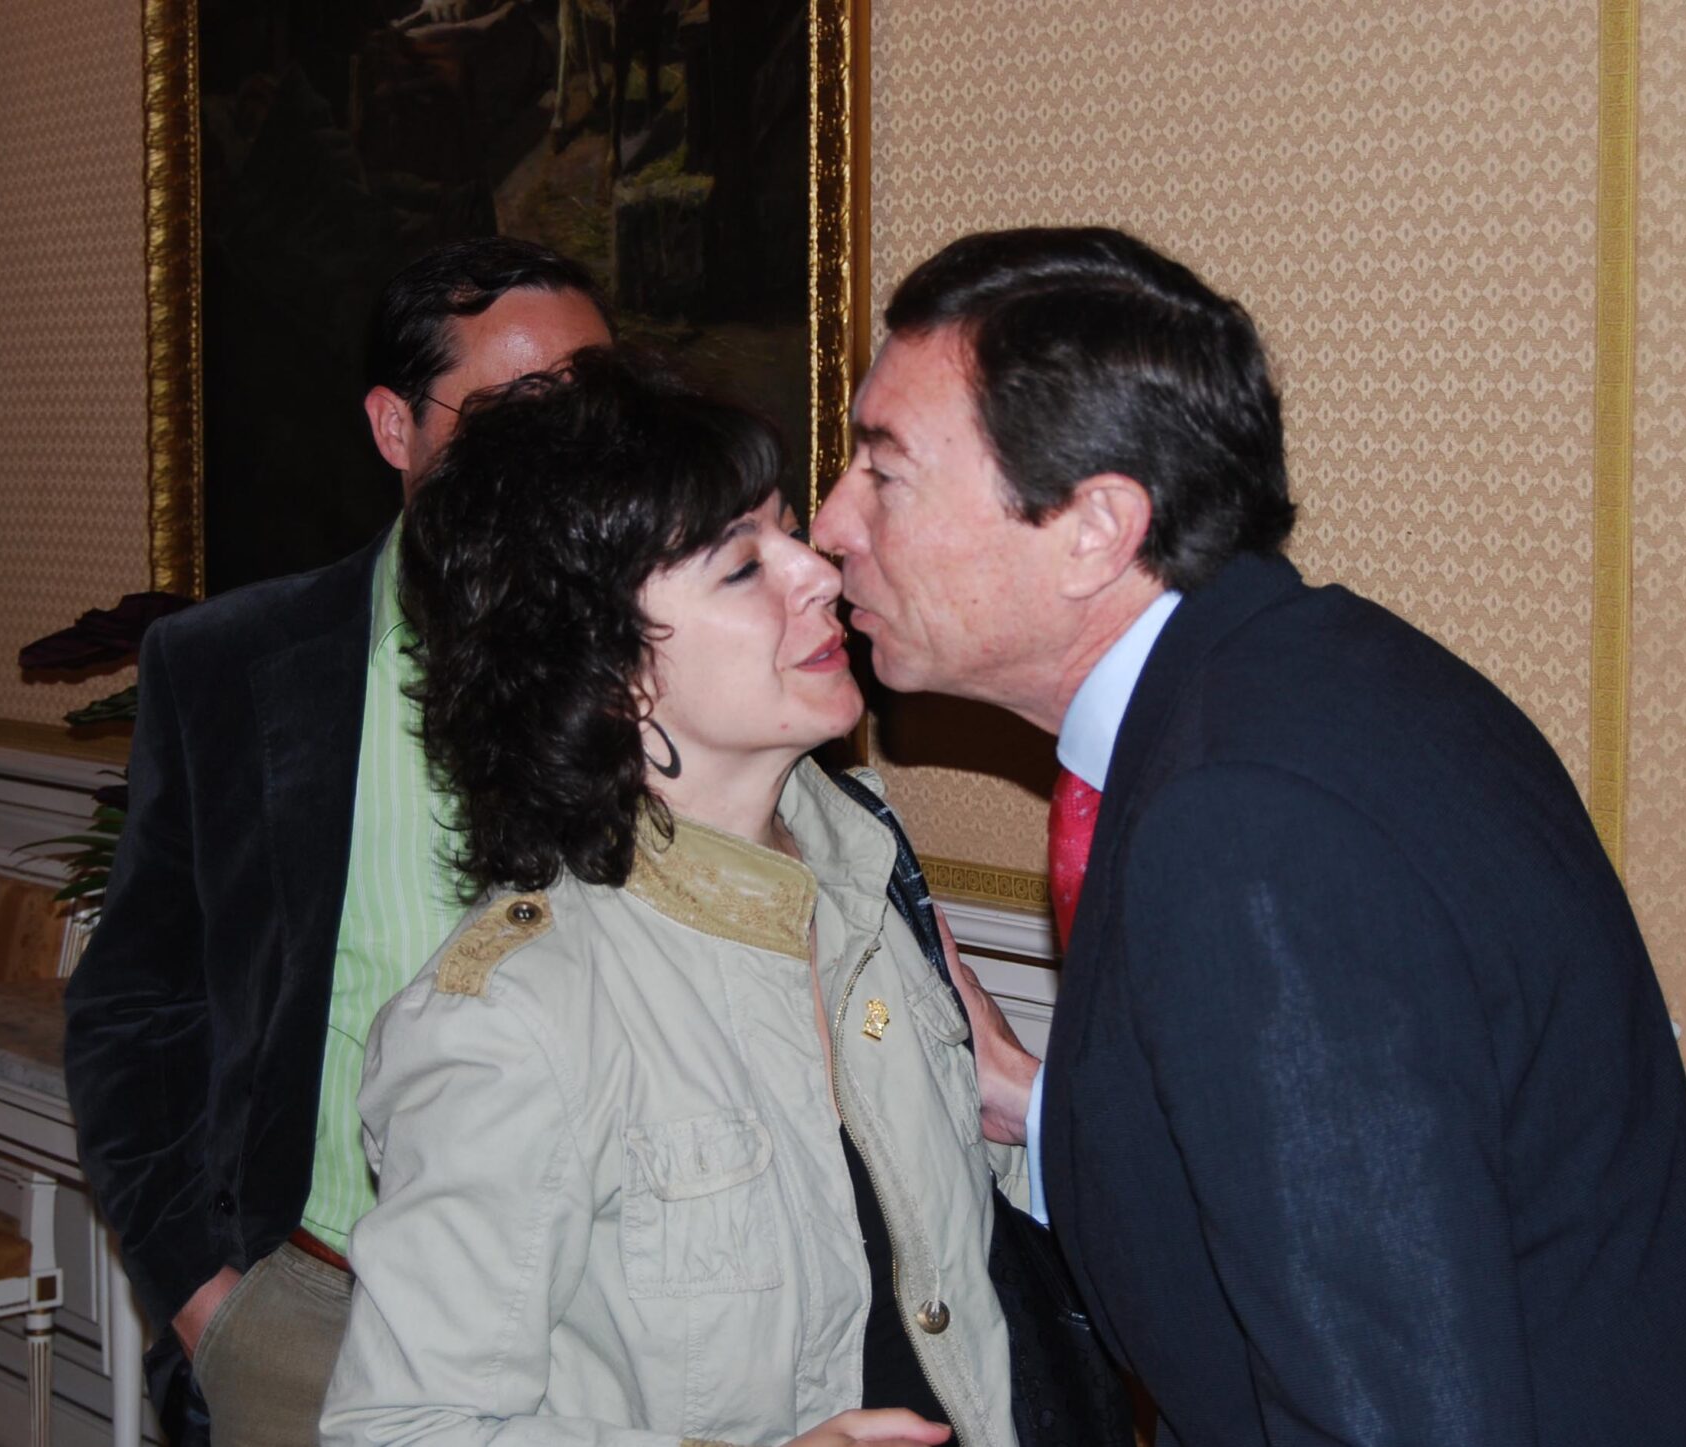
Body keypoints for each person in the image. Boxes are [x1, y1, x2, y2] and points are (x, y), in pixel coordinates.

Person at [809, 226, 1686, 1447]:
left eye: (884, 469)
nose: (833, 520)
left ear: (1095, 527)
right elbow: (1352, 1170)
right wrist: (1050, 1108)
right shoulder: (1318, 677)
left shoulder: (1249, 826)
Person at [320, 351, 1022, 1447]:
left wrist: (1035, 1114)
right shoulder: (516, 1019)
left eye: (789, 531)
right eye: (743, 566)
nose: (819, 572)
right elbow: (398, 1429)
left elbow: (956, 1267)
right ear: (612, 676)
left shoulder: (863, 877)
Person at [63, 237, 613, 1445]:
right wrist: (207, 1298)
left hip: (611, 1326)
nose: (566, 445)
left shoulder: (685, 655)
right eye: (516, 410)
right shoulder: (230, 666)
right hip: (314, 1319)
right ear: (393, 426)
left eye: (591, 403)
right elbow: (136, 1004)